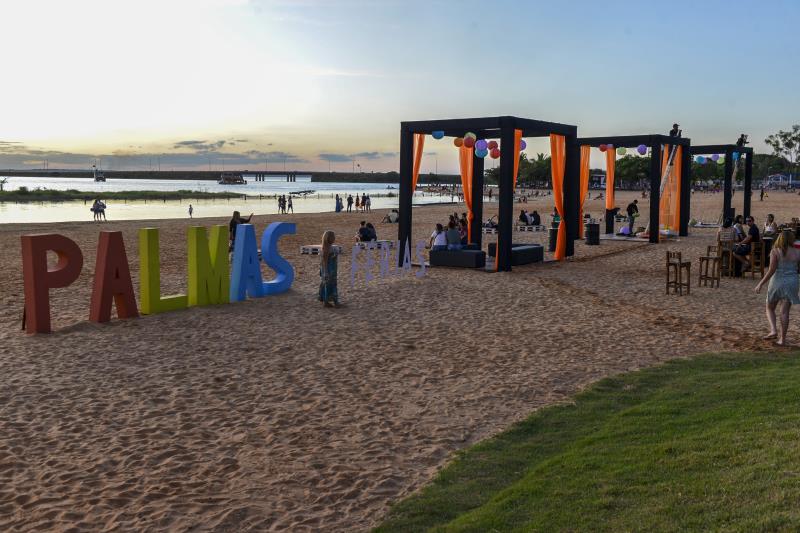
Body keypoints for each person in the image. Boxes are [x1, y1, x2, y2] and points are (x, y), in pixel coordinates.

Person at [755, 229, 800, 346]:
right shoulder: (797, 251)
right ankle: (782, 339)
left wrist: (761, 283)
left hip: (777, 281)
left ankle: (773, 330)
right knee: (784, 312)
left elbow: (771, 270)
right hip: (792, 281)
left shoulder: (775, 251)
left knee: (769, 307)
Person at [318, 230, 340, 308]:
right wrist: (326, 272)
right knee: (330, 285)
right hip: (329, 270)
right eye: (333, 237)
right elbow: (325, 261)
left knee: (327, 285)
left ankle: (326, 301)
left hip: (331, 269)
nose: (334, 238)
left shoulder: (328, 247)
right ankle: (333, 302)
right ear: (328, 238)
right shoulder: (327, 249)